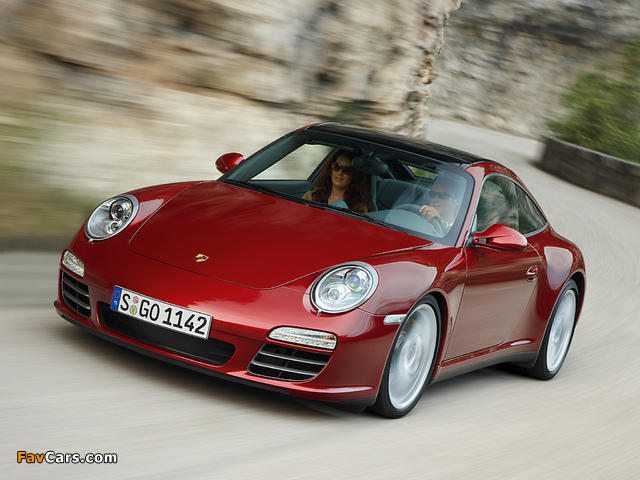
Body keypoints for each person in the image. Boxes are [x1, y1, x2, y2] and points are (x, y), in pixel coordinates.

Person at [303, 150, 371, 213]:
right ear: (331, 169)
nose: (340, 173)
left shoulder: (359, 208)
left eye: (346, 170)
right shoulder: (311, 196)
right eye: (337, 167)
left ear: (354, 175)